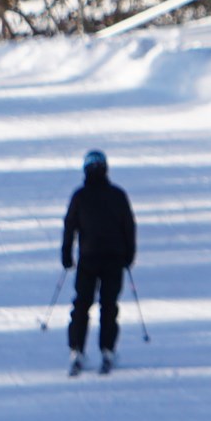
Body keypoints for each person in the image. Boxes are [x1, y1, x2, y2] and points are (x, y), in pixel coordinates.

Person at [62, 150, 137, 376]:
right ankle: (107, 350)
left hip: (88, 258)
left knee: (82, 305)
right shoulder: (117, 195)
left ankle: (77, 350)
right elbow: (129, 226)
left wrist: (67, 255)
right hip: (113, 258)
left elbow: (70, 227)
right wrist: (129, 254)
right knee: (108, 305)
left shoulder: (80, 196)